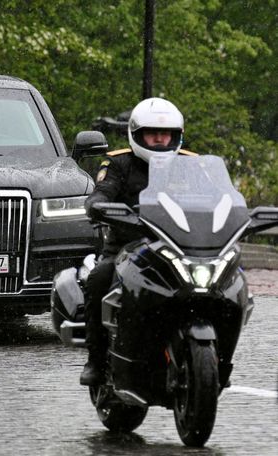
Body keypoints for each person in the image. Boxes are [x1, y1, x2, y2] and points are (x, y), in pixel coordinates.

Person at [79, 97, 195, 386]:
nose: (159, 138)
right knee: (97, 280)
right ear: (137, 134)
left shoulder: (192, 165)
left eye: (165, 133)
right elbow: (103, 192)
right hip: (127, 250)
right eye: (152, 132)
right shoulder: (119, 163)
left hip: (181, 249)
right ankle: (95, 359)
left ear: (176, 135)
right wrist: (97, 204)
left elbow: (223, 197)